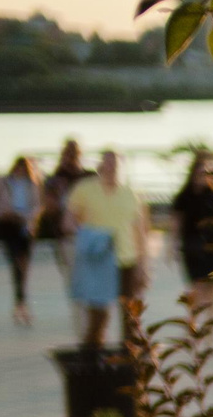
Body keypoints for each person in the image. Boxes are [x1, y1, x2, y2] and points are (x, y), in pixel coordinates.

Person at [62, 149, 149, 349]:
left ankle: (130, 361)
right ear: (100, 166)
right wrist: (90, 237)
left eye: (115, 165)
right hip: (98, 261)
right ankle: (92, 358)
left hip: (127, 259)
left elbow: (140, 232)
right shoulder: (84, 189)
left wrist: (144, 265)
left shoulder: (131, 194)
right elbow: (68, 222)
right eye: (107, 164)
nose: (111, 168)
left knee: (130, 316)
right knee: (98, 316)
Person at [0, 154, 44, 327]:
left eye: (25, 168)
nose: (21, 170)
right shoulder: (2, 182)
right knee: (16, 262)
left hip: (25, 227)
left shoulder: (33, 183)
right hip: (8, 225)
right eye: (19, 166)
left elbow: (38, 207)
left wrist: (25, 217)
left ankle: (20, 303)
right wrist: (0, 214)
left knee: (23, 264)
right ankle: (21, 304)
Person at [172, 151, 213, 312]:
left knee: (212, 290)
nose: (202, 177)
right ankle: (195, 328)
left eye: (206, 173)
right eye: (199, 172)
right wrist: (173, 246)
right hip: (192, 248)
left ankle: (211, 330)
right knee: (196, 288)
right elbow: (177, 223)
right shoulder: (184, 196)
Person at [39, 140, 88, 304]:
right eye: (68, 153)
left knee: (87, 275)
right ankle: (80, 309)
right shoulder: (54, 180)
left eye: (74, 154)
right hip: (64, 236)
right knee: (72, 277)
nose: (71, 158)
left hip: (88, 234)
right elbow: (48, 207)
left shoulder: (88, 177)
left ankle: (85, 309)